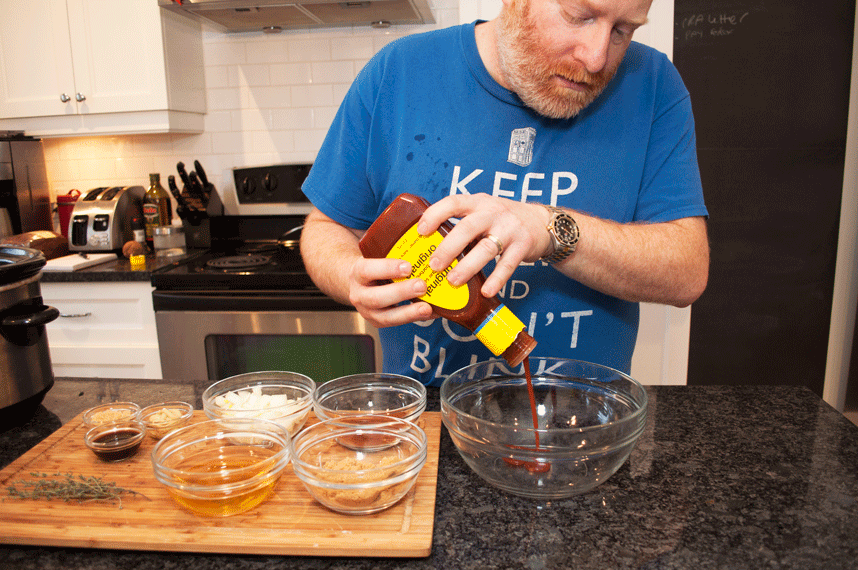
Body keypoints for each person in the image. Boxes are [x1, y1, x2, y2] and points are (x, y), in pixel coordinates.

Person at [300, 0, 710, 386]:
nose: (596, 58)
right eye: (578, 16)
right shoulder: (399, 72)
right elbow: (327, 227)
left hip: (585, 414)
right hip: (429, 412)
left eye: (623, 30)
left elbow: (687, 272)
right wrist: (349, 276)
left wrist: (549, 230)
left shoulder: (653, 83)